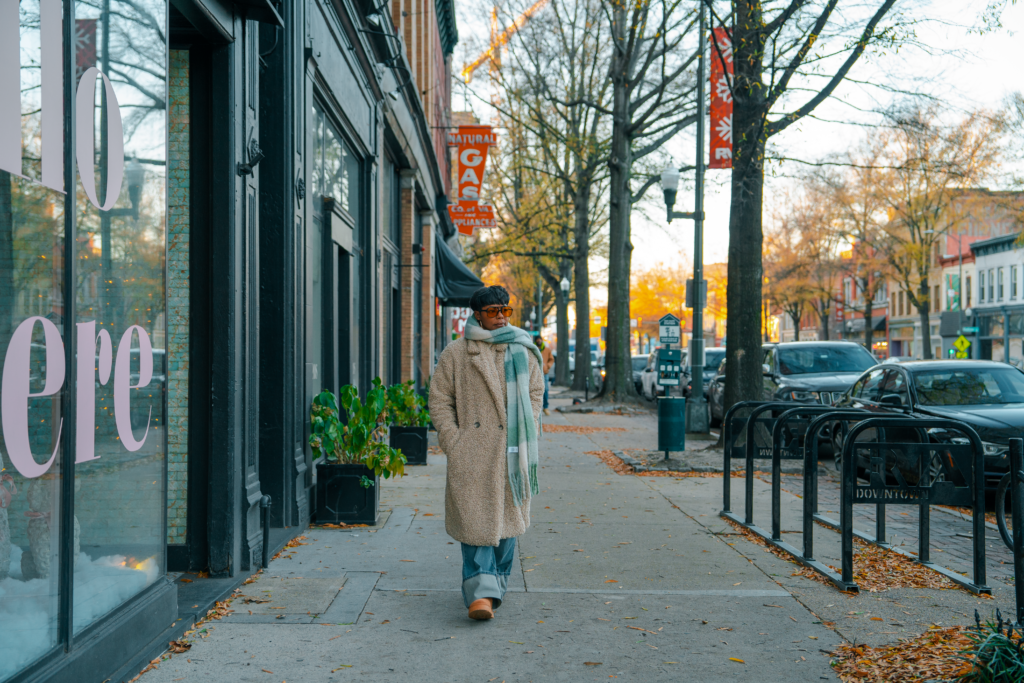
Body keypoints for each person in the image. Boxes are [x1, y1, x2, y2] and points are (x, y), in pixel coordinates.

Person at [429, 285, 544, 621]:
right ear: (476, 313)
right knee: (476, 523)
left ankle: (497, 586)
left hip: (513, 450)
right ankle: (480, 593)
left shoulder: (523, 348)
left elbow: (536, 393)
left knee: (508, 528)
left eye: (505, 310)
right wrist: (454, 440)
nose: (500, 317)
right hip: (474, 452)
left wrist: (528, 427)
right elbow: (439, 400)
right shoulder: (456, 353)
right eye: (493, 311)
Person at [536, 334, 554, 415]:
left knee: (545, 389)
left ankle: (546, 407)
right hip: (535, 374)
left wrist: (548, 366)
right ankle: (537, 407)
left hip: (544, 373)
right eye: (537, 339)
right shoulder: (533, 349)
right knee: (536, 391)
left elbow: (551, 359)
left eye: (540, 339)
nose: (539, 340)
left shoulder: (547, 350)